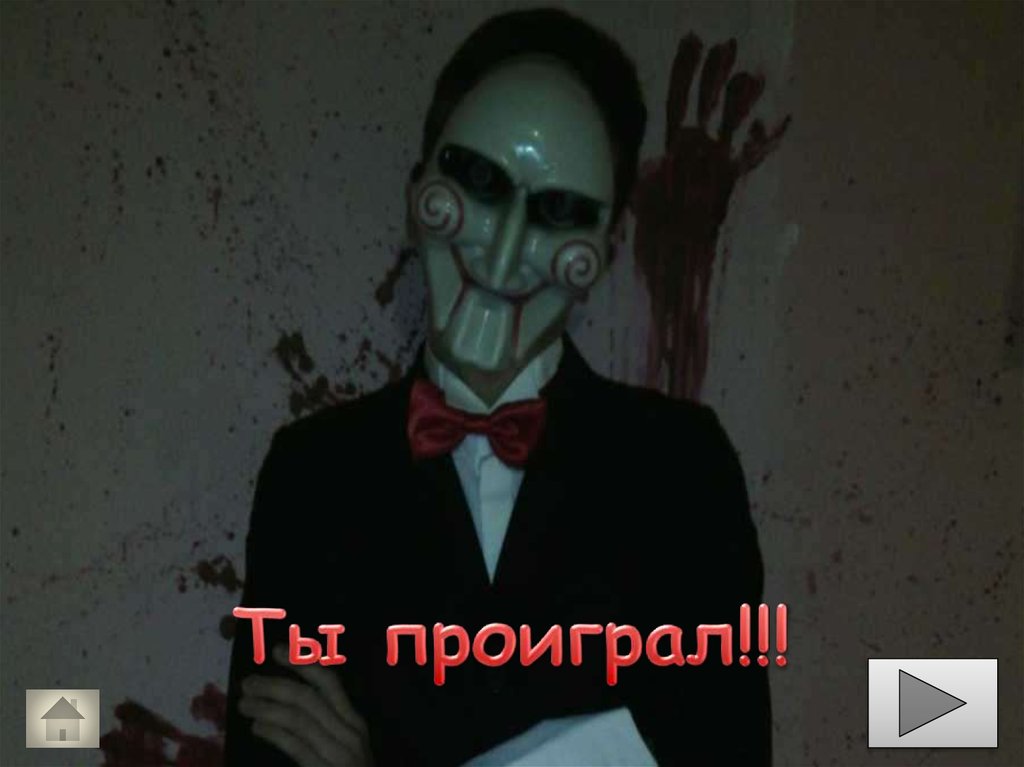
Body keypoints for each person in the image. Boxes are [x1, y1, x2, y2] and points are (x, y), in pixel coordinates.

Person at [225, 7, 771, 766]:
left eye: (557, 211)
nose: (505, 249)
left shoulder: (682, 469)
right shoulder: (312, 476)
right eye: (478, 182)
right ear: (419, 192)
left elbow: (725, 752)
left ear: (609, 244)